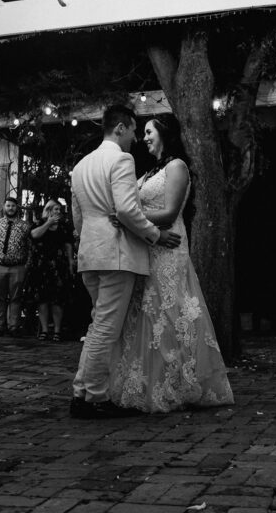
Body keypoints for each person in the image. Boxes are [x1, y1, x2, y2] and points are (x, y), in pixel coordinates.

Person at [107, 114, 234, 413]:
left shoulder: (177, 167)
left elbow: (169, 212)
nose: (145, 137)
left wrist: (127, 217)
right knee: (147, 313)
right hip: (148, 246)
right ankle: (145, 382)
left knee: (170, 308)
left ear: (164, 132)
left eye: (149, 132)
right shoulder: (151, 171)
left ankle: (182, 382)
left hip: (169, 246)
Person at [68, 104, 182, 420]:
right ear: (120, 127)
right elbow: (128, 211)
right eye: (133, 129)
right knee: (107, 328)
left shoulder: (81, 166)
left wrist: (90, 238)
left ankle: (82, 393)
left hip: (90, 253)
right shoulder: (120, 159)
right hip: (116, 254)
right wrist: (155, 236)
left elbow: (77, 219)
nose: (134, 137)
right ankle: (94, 399)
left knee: (97, 325)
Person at [23, 199, 73, 342]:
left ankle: (57, 331)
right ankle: (44, 330)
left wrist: (70, 262)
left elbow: (68, 244)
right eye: (55, 209)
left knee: (57, 300)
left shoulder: (64, 227)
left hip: (58, 266)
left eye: (60, 210)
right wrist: (48, 223)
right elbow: (34, 235)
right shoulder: (40, 223)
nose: (58, 212)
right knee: (42, 299)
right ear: (49, 210)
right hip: (41, 266)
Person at [0, 197, 32, 337]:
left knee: (16, 298)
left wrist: (27, 266)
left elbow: (30, 247)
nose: (10, 208)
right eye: (8, 205)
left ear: (17, 208)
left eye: (13, 206)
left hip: (17, 267)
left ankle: (13, 327)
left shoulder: (25, 226)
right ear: (3, 207)